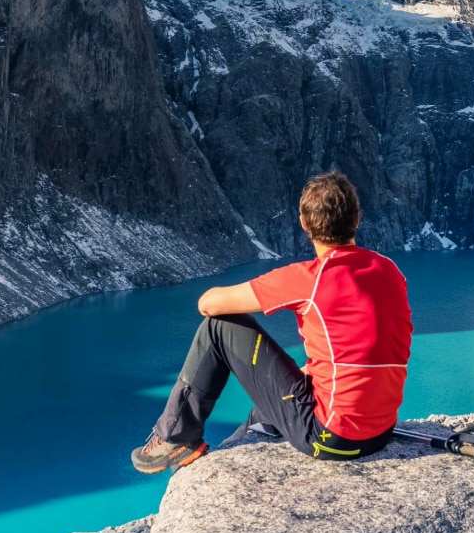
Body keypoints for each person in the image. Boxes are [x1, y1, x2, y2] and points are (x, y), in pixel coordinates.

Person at [131, 171, 413, 473]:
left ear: (304, 223)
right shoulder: (389, 270)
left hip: (332, 437)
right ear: (357, 218)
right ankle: (230, 458)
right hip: (379, 432)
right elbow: (368, 347)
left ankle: (174, 436)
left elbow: (207, 304)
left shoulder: (309, 279)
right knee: (269, 400)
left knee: (218, 328)